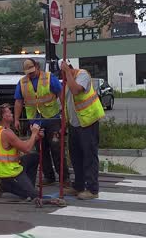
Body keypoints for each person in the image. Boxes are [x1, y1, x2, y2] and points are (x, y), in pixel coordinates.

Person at [14, 58, 70, 186]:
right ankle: (49, 176)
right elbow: (18, 101)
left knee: (56, 148)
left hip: (52, 118)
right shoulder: (22, 83)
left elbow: (60, 94)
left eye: (32, 71)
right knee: (41, 150)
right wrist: (17, 119)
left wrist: (64, 115)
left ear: (37, 67)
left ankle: (64, 178)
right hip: (35, 121)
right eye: (28, 72)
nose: (31, 74)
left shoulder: (49, 78)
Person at [60, 59, 105, 200]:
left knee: (89, 156)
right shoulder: (66, 82)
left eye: (64, 72)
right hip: (74, 124)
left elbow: (76, 90)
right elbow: (65, 104)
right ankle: (78, 186)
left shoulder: (83, 75)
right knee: (76, 157)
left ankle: (92, 189)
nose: (63, 76)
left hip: (88, 122)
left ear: (69, 68)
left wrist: (67, 72)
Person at [0, 103, 42, 200]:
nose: (11, 113)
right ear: (3, 117)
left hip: (13, 166)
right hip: (9, 172)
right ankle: (3, 185)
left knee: (34, 157)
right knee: (34, 195)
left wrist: (34, 137)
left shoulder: (2, 130)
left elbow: (21, 144)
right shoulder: (6, 133)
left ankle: (28, 186)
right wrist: (34, 133)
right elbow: (26, 149)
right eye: (8, 112)